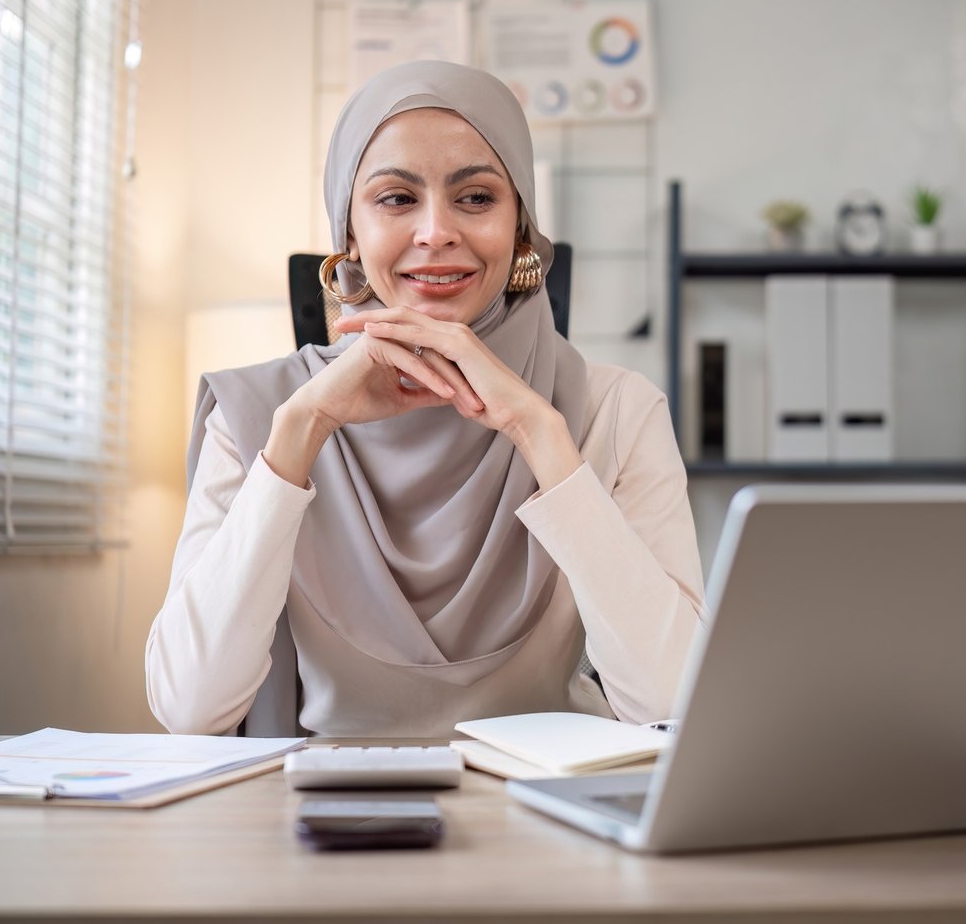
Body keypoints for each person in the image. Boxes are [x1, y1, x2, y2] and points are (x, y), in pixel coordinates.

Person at [145, 61, 706, 738]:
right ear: (349, 232)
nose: (436, 231)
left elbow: (675, 703)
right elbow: (191, 708)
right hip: (328, 798)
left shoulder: (616, 409)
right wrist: (301, 430)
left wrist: (539, 431)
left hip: (549, 798)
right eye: (395, 198)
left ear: (521, 228)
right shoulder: (261, 415)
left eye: (476, 197)